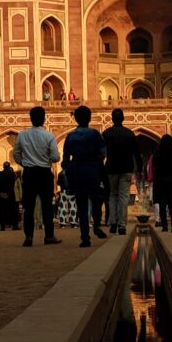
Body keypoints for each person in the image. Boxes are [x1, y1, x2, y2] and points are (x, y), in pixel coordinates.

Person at [13, 106, 62, 247]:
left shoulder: (22, 135)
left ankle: (28, 237)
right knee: (47, 206)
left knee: (29, 206)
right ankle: (49, 236)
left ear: (31, 118)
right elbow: (55, 157)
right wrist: (46, 158)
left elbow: (16, 154)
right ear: (43, 118)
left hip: (29, 173)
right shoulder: (48, 136)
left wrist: (25, 163)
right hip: (44, 173)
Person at [62, 105, 107, 248]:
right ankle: (97, 225)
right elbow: (103, 153)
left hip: (76, 169)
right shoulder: (94, 134)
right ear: (90, 118)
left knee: (81, 203)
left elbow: (65, 160)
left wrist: (70, 169)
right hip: (92, 169)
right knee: (97, 199)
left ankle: (85, 238)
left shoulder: (71, 136)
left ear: (75, 118)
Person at [102, 108, 143, 235]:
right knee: (123, 197)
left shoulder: (106, 133)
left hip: (111, 168)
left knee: (112, 195)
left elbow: (101, 153)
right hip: (126, 169)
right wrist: (140, 170)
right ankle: (122, 225)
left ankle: (113, 222)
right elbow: (137, 154)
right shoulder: (129, 134)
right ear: (123, 119)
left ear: (112, 119)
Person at [152, 134, 172, 233]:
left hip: (160, 182)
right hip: (171, 181)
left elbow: (153, 164)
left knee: (162, 204)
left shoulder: (157, 154)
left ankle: (164, 226)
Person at [0, 161, 18, 230]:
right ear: (9, 166)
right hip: (10, 194)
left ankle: (3, 226)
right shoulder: (13, 174)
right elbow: (14, 183)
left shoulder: (0, 174)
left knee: (2, 211)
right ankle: (14, 225)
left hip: (2, 194)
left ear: (3, 167)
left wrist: (0, 193)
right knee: (13, 210)